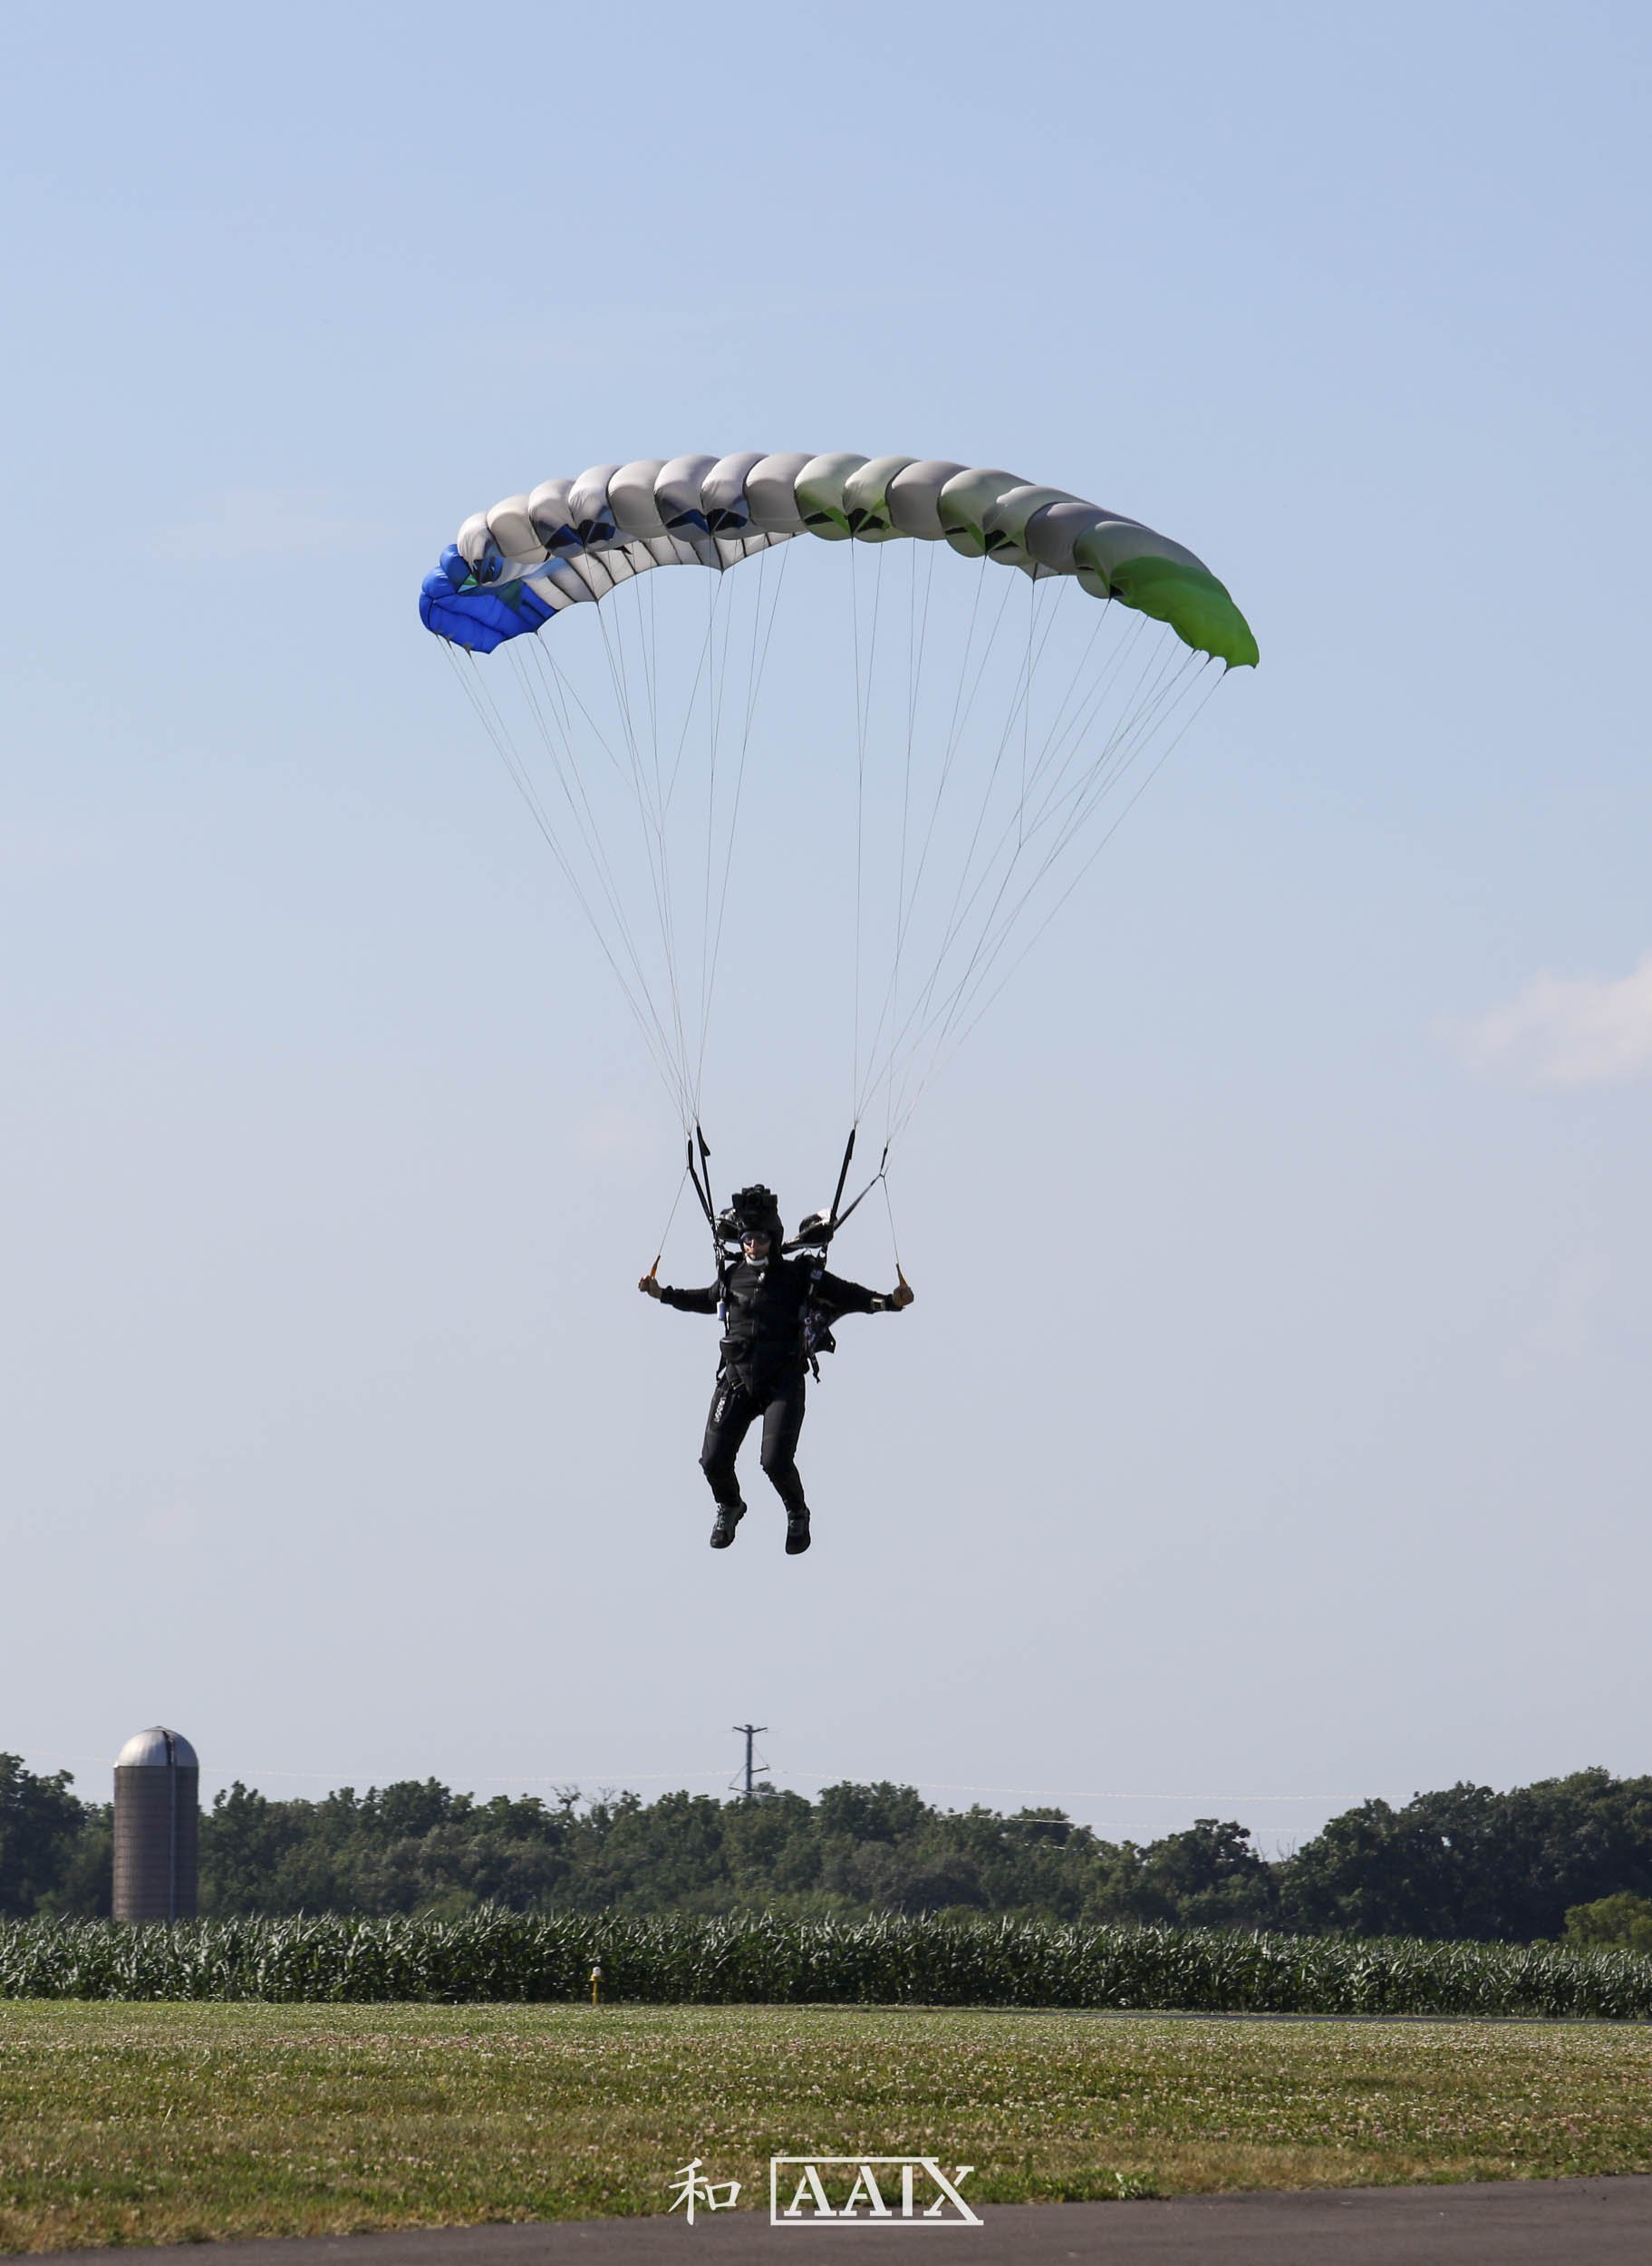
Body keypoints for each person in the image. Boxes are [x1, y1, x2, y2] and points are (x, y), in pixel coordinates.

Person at [640, 1184, 913, 1554]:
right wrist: (662, 1293)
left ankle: (797, 1512)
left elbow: (849, 1294)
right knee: (713, 1460)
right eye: (748, 1238)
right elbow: (701, 1300)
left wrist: (889, 1302)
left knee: (774, 1461)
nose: (754, 1245)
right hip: (737, 1380)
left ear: (774, 1239)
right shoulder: (731, 1277)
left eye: (762, 1239)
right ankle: (730, 1504)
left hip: (783, 1380)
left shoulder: (799, 1276)